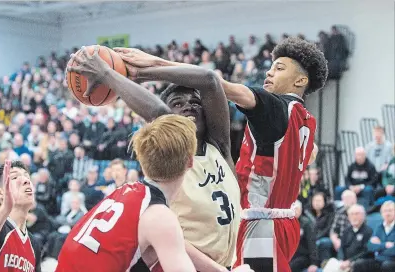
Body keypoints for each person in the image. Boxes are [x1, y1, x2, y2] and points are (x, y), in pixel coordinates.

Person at [111, 37, 326, 271]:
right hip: (284, 222)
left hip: (262, 223)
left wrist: (151, 65)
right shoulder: (306, 119)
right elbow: (310, 152)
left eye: (279, 68)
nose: (269, 72)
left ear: (300, 81)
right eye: (272, 66)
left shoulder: (274, 107)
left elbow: (216, 84)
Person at [69, 45, 241, 271]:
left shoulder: (219, 147)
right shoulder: (172, 157)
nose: (189, 106)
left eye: (195, 102)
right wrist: (108, 74)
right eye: (178, 104)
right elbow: (160, 114)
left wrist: (143, 72)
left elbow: (209, 80)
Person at [56, 114, 197, 271]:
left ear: (142, 163)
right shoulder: (160, 216)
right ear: (190, 161)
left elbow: (171, 240)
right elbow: (167, 235)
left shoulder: (125, 191)